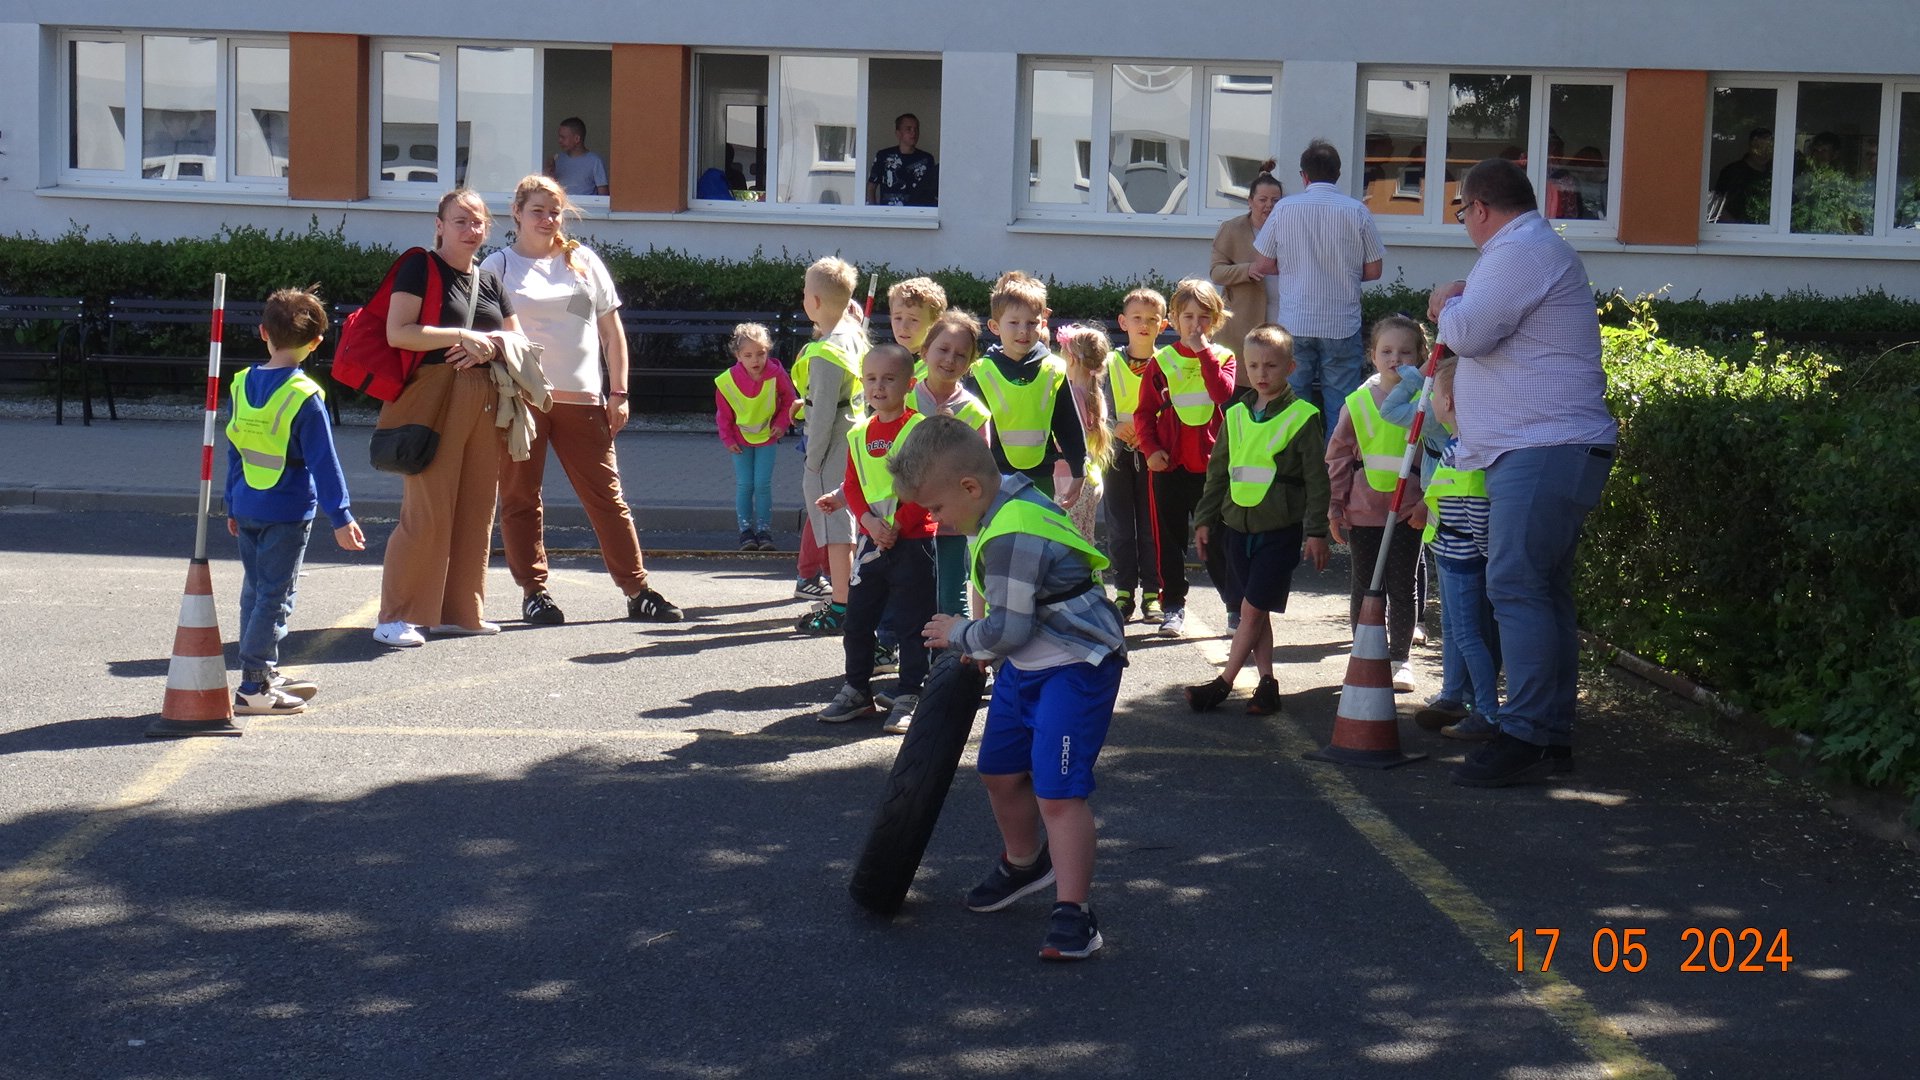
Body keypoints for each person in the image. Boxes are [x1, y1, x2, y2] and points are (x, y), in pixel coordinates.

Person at [899, 416, 1127, 962]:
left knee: (1058, 793)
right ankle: (1025, 865)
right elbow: (996, 598)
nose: (936, 519)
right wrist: (982, 642)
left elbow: (1010, 630)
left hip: (1074, 665)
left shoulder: (1012, 532)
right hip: (1025, 666)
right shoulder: (995, 500)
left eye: (936, 508)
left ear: (969, 487)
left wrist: (963, 635)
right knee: (1000, 773)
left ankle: (1075, 914)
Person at [1429, 157, 1618, 787]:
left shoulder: (1518, 250)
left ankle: (1526, 732)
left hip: (1542, 448)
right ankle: (1550, 732)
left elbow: (1470, 334)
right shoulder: (1529, 249)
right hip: (1545, 449)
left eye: (1462, 211)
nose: (1464, 223)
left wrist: (1444, 303)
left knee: (1513, 584)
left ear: (1480, 208)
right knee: (1540, 589)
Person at [483, 175, 682, 627]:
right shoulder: (497, 266)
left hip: (584, 400)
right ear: (516, 213)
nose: (547, 220)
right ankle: (534, 592)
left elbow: (612, 334)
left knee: (607, 497)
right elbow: (485, 334)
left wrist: (620, 393)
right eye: (537, 211)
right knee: (520, 497)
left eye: (554, 212)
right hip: (521, 400)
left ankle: (637, 590)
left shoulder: (583, 261)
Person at [373, 189, 523, 648]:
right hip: (435, 396)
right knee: (428, 510)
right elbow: (399, 333)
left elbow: (516, 339)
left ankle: (460, 612)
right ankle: (396, 616)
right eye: (461, 221)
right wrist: (460, 335)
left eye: (478, 222)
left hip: (485, 396)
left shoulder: (490, 279)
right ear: (439, 225)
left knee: (477, 507)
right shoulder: (420, 266)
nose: (471, 230)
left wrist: (488, 347)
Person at [224, 288, 366, 714]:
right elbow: (325, 463)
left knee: (255, 591)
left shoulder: (241, 383)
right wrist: (340, 516)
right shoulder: (305, 395)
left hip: (246, 503)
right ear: (317, 342)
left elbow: (235, 448)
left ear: (263, 332)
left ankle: (261, 672)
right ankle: (254, 685)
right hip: (285, 511)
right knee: (275, 595)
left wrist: (231, 501)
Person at [1184, 324, 1330, 714]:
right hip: (1235, 529)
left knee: (1250, 610)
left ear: (1291, 367)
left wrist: (1317, 531)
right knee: (1256, 610)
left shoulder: (1303, 416)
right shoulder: (1234, 415)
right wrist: (1204, 519)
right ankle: (1267, 685)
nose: (1261, 374)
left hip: (1278, 532)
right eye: (1253, 366)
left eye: (1271, 365)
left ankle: (1223, 683)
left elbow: (1318, 480)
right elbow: (1218, 473)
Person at [813, 344, 938, 733]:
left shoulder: (920, 429)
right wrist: (868, 521)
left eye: (889, 379)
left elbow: (926, 486)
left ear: (909, 385)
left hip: (914, 542)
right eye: (871, 379)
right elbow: (852, 485)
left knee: (913, 622)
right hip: (873, 542)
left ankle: (910, 693)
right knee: (858, 618)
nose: (878, 387)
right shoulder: (858, 433)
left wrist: (896, 525)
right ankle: (856, 689)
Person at [1389, 354, 1501, 740]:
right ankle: (1455, 696)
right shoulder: (1457, 446)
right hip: (1451, 555)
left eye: (1433, 393)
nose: (1430, 400)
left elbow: (1478, 513)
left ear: (1448, 402)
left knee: (1468, 635)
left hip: (1463, 559)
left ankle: (1487, 712)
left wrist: (1485, 555)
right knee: (1454, 629)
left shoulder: (1464, 455)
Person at [1251, 138, 1386, 427]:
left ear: (1304, 176)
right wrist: (1344, 272)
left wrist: (1292, 268)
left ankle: (1299, 455)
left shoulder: (1284, 209)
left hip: (1295, 321)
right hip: (1341, 323)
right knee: (1342, 406)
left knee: (1293, 405)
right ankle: (1335, 456)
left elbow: (1261, 264)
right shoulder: (1357, 211)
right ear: (1338, 174)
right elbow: (1374, 270)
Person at [1325, 315, 1428, 693]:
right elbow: (1338, 457)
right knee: (1365, 587)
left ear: (1421, 356)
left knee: (1402, 588)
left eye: (1405, 352)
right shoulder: (1356, 403)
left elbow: (1438, 456)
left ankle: (1400, 660)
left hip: (1408, 513)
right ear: (1372, 355)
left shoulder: (1426, 403)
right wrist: (1335, 506)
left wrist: (1428, 503)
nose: (1395, 358)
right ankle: (1365, 656)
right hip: (1363, 511)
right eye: (1386, 351)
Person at [1132, 278, 1238, 638]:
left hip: (1211, 469)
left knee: (1219, 541)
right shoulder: (1161, 361)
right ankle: (1172, 606)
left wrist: (1204, 352)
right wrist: (1150, 450)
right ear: (1174, 319)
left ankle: (1233, 607)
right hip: (1169, 466)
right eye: (1188, 316)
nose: (1196, 325)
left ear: (1216, 320)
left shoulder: (1224, 357)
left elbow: (1221, 393)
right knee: (1168, 541)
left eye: (1204, 317)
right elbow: (1143, 413)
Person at [794, 257, 871, 635]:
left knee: (837, 530)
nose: (804, 298)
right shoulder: (851, 333)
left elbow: (823, 412)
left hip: (832, 443)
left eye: (806, 292)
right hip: (853, 432)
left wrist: (813, 461)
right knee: (848, 522)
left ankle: (841, 605)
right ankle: (849, 596)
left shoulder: (826, 351)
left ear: (816, 302)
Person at [966, 271, 1086, 502]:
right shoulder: (981, 372)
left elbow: (1068, 424)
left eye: (1032, 323)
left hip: (1041, 475)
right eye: (1014, 323)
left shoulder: (1053, 369)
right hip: (992, 476)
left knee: (1036, 526)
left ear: (1043, 324)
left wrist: (1078, 470)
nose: (1023, 330)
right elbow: (968, 431)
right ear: (994, 326)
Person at [911, 310, 992, 617]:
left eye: (960, 355)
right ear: (924, 351)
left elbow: (980, 471)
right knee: (909, 595)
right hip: (907, 521)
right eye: (943, 349)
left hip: (952, 525)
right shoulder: (903, 399)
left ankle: (956, 645)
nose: (949, 359)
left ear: (969, 364)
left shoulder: (974, 412)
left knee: (952, 599)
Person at [1103, 288, 1166, 624]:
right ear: (1123, 322)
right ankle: (1124, 592)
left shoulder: (1167, 363)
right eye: (1137, 318)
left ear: (1163, 325)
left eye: (1152, 319)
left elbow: (1171, 410)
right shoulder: (1109, 362)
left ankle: (1153, 594)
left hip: (1153, 454)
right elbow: (1096, 407)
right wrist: (1113, 426)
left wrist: (1149, 437)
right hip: (1116, 455)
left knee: (1151, 526)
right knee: (1120, 527)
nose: (1144, 324)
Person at [715, 322, 796, 551]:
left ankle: (764, 531)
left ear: (768, 351)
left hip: (767, 437)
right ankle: (745, 531)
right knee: (745, 484)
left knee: (762, 484)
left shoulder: (776, 374)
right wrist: (727, 439)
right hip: (739, 439)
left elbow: (790, 399)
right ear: (738, 356)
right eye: (748, 355)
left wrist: (781, 424)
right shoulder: (727, 381)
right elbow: (723, 414)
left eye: (761, 354)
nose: (755, 360)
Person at [1209, 162, 1284, 381]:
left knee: (1275, 375)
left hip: (1282, 314)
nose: (1269, 206)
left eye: (1275, 201)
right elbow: (1216, 272)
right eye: (1262, 200)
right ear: (1250, 202)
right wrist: (1247, 270)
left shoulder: (1288, 229)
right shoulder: (1231, 228)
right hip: (1242, 318)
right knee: (1243, 378)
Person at [1053, 323, 1116, 548]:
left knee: (1066, 546)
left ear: (1071, 359)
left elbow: (1063, 441)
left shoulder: (1070, 397)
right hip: (1092, 478)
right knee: (1085, 542)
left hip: (1068, 480)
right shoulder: (1096, 396)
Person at [867, 113, 937, 207]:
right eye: (908, 129)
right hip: (888, 212)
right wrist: (873, 211)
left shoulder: (926, 159)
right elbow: (871, 187)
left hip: (918, 213)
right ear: (898, 133)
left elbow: (932, 190)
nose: (913, 133)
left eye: (916, 129)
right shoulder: (884, 156)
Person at [886, 276, 947, 376]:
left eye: (914, 320)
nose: (903, 327)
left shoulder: (941, 367)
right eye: (898, 318)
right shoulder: (884, 363)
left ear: (935, 323)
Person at [548, 117, 608, 197]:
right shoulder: (557, 160)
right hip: (562, 204)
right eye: (559, 137)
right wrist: (549, 172)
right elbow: (550, 190)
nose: (559, 140)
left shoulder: (595, 161)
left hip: (586, 205)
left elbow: (603, 195)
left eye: (563, 137)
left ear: (577, 139)